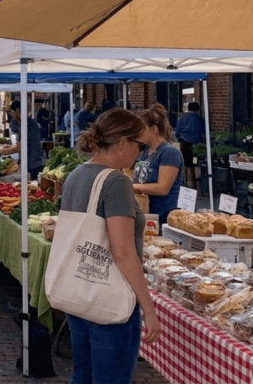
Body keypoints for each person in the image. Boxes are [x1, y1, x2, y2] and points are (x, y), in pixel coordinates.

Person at [61, 108, 159, 383]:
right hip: (111, 297)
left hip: (80, 290)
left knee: (83, 374)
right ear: (123, 142)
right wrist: (148, 309)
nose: (139, 153)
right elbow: (124, 251)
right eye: (139, 145)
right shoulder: (116, 181)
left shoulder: (76, 175)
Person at [132, 104, 183, 220]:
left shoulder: (169, 152)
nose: (137, 133)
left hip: (163, 214)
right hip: (146, 212)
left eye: (141, 129)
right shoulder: (146, 150)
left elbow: (163, 188)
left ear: (154, 129)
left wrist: (132, 186)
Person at [0, 101, 43, 182]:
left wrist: (0, 152)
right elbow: (23, 143)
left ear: (17, 111)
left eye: (11, 112)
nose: (11, 115)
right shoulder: (31, 122)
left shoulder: (23, 125)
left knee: (30, 186)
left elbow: (19, 147)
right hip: (36, 161)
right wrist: (9, 147)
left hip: (30, 164)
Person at [174, 101, 206, 189]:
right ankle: (194, 181)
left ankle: (185, 181)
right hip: (196, 144)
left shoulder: (182, 118)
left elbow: (177, 132)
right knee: (194, 161)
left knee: (184, 161)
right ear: (198, 109)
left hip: (184, 142)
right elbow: (204, 130)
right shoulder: (200, 119)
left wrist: (178, 138)